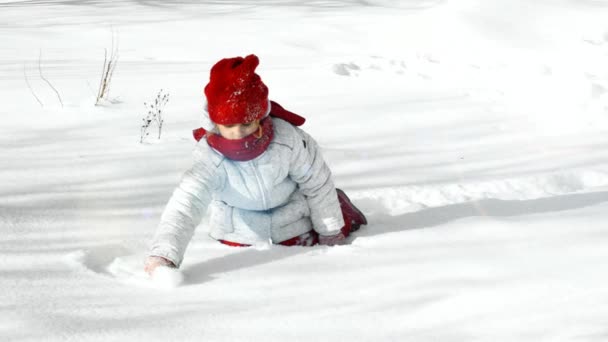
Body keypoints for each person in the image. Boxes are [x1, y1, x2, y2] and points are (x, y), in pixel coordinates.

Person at [144, 54, 367, 275]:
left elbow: (317, 183)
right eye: (228, 125)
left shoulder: (287, 140)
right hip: (238, 232)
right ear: (215, 122)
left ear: (260, 117)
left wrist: (330, 233)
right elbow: (186, 204)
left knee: (330, 213)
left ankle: (340, 207)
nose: (237, 133)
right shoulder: (210, 157)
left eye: (246, 123)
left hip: (294, 223)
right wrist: (165, 254)